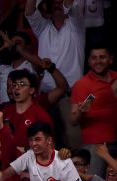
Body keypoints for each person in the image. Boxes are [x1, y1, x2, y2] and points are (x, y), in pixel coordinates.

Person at [25, 0, 85, 149]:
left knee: (74, 143)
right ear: (48, 7)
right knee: (46, 144)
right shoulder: (43, 28)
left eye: (60, 1)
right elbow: (29, 11)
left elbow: (71, 6)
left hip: (71, 96)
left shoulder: (76, 25)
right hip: (47, 96)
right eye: (54, 2)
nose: (58, 4)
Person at [70, 45, 117, 175]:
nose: (98, 61)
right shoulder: (82, 84)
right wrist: (81, 111)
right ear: (89, 61)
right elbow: (73, 120)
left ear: (110, 59)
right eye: (94, 58)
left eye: (102, 57)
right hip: (96, 145)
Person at [1, 70, 54, 151]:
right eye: (14, 85)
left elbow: (49, 148)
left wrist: (25, 150)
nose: (16, 88)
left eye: (22, 84)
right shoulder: (5, 112)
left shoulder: (40, 116)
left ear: (31, 90)